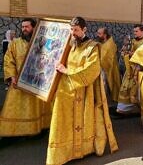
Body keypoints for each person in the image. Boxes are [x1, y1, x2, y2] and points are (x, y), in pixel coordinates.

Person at [46, 17, 118, 165]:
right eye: (71, 30)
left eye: (76, 30)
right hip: (66, 89)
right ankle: (64, 151)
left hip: (85, 92)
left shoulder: (92, 47)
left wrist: (67, 71)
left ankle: (84, 150)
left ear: (84, 29)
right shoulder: (70, 45)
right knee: (63, 121)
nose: (73, 33)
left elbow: (92, 69)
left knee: (84, 121)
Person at [0, 18, 51, 137]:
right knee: (16, 109)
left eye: (27, 27)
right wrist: (12, 76)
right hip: (19, 82)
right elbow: (8, 61)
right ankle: (14, 133)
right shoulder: (15, 43)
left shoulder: (41, 43)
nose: (24, 29)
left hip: (37, 84)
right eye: (22, 27)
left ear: (33, 28)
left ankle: (39, 129)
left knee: (37, 108)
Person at [116, 24, 143, 115]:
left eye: (136, 31)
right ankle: (124, 108)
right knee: (125, 87)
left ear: (142, 31)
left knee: (139, 90)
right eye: (134, 31)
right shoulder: (132, 41)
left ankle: (141, 108)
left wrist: (132, 53)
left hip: (140, 69)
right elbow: (129, 52)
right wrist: (125, 53)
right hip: (131, 69)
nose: (135, 33)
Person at [96, 27, 121, 102]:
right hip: (101, 69)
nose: (98, 35)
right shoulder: (102, 43)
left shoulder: (109, 44)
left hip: (108, 69)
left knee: (106, 87)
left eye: (100, 34)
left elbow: (107, 59)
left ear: (105, 35)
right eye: (97, 33)